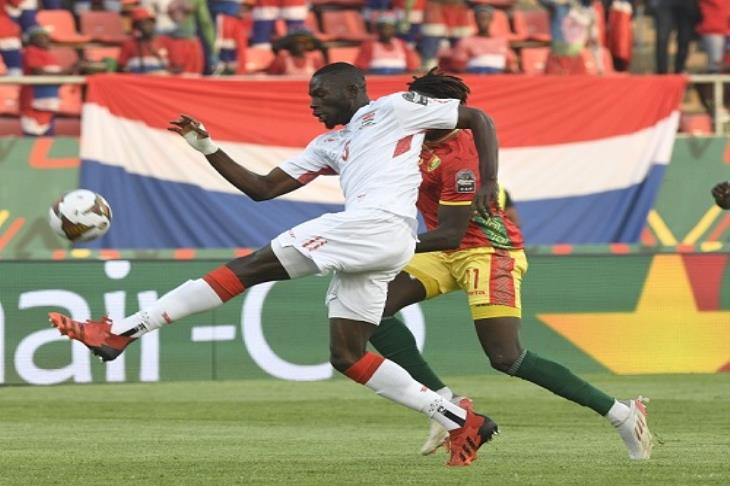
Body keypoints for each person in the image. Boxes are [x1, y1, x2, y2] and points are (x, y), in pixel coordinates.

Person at [48, 62, 501, 467]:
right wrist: (207, 147)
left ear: (352, 89)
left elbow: (477, 118)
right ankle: (461, 419)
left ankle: (122, 332)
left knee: (248, 268)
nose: (313, 104)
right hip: (383, 240)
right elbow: (262, 188)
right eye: (310, 97)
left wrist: (488, 181)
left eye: (320, 94)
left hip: (375, 225)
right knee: (347, 355)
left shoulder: (395, 108)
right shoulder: (329, 144)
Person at [366, 70, 654, 460]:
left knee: (506, 356)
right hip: (443, 250)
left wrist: (383, 245)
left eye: (419, 106)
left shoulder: (461, 160)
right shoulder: (414, 136)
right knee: (370, 308)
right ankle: (447, 404)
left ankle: (622, 414)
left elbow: (452, 233)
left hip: (487, 252)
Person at [447, 5, 517, 74]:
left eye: (486, 18)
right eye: (480, 18)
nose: (483, 21)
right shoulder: (466, 41)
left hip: (499, 75)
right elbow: (458, 64)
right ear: (475, 20)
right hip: (475, 75)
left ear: (491, 19)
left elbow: (511, 62)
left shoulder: (501, 41)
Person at [353, 13, 420, 75]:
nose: (386, 31)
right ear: (378, 29)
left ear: (394, 29)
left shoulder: (402, 45)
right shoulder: (369, 45)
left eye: (389, 28)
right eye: (383, 28)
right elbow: (361, 68)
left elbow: (412, 67)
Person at [650, 0, 700, 74]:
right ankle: (662, 71)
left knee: (684, 37)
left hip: (686, 4)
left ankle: (679, 69)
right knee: (663, 37)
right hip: (664, 3)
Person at [118, 7, 172, 74]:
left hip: (161, 79)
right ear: (136, 27)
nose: (148, 26)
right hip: (138, 79)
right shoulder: (129, 44)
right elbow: (120, 68)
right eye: (144, 24)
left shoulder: (165, 42)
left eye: (150, 22)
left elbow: (174, 67)